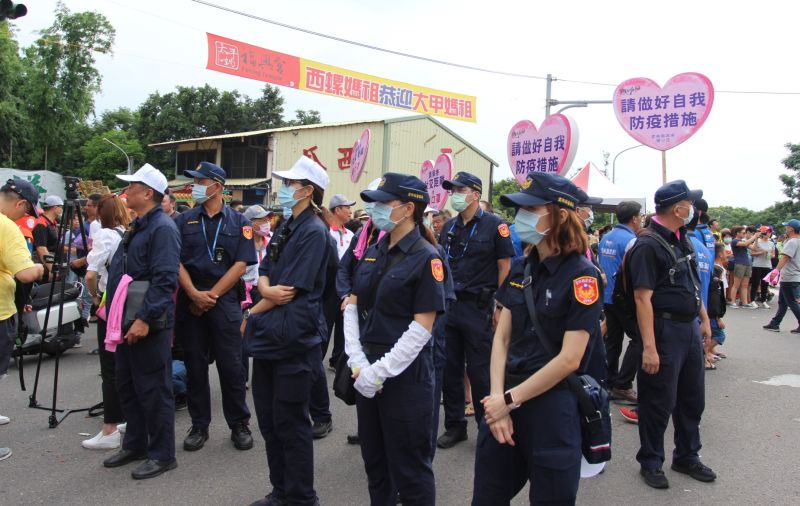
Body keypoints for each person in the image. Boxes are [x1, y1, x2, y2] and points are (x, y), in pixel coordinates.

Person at [473, 172, 603, 505]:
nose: (521, 218)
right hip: (505, 400)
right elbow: (501, 338)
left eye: (531, 210)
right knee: (487, 497)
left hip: (551, 406)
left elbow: (570, 358)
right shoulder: (521, 268)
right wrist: (496, 401)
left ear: (560, 215)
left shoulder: (583, 276)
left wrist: (509, 400)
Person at [344, 172, 445, 505]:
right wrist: (357, 359)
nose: (374, 209)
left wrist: (381, 370)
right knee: (375, 463)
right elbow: (353, 303)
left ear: (408, 208)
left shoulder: (427, 257)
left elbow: (422, 328)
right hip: (367, 370)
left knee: (410, 470)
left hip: (405, 377)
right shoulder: (375, 249)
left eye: (383, 203)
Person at [244, 156, 330, 506]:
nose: (283, 189)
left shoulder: (314, 231)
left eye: (290, 184)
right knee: (269, 422)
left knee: (292, 424)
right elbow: (266, 271)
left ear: (308, 190)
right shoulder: (286, 224)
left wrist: (250, 310)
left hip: (294, 339)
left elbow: (289, 290)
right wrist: (264, 290)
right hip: (269, 336)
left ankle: (300, 497)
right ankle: (280, 490)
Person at [627, 180, 715, 489]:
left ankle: (687, 456)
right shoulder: (647, 244)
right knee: (658, 401)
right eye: (689, 204)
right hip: (663, 330)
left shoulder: (683, 239)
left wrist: (703, 318)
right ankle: (651, 461)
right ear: (678, 208)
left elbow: (691, 283)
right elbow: (642, 299)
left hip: (688, 327)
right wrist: (649, 347)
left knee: (692, 398)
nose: (692, 209)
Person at [101, 164, 181, 479]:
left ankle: (163, 454)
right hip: (125, 318)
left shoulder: (162, 227)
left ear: (147, 193)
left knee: (153, 387)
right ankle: (136, 443)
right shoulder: (140, 224)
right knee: (129, 384)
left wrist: (145, 318)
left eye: (132, 187)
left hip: (146, 321)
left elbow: (164, 280)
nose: (126, 192)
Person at [174, 161, 255, 452]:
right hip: (191, 299)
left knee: (231, 366)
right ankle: (199, 425)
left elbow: (241, 264)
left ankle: (239, 424)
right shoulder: (183, 221)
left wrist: (211, 296)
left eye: (199, 181)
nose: (193, 186)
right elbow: (176, 261)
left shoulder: (239, 222)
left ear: (217, 187)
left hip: (224, 302)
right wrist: (195, 294)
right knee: (195, 367)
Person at [437, 172, 514, 449]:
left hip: (479, 307)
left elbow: (504, 266)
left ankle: (487, 425)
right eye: (452, 189)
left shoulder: (496, 225)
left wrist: (501, 306)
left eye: (460, 189)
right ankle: (455, 425)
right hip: (450, 305)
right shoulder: (448, 227)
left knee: (481, 371)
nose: (455, 193)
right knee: (450, 368)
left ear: (475, 194)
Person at [0, 179, 45, 462]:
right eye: (27, 213)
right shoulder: (6, 227)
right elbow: (25, 274)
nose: (26, 219)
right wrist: (40, 267)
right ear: (20, 204)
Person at [81, 194, 130, 450]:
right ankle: (125, 418)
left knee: (109, 368)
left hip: (109, 303)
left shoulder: (104, 235)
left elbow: (91, 274)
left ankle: (110, 427)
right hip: (128, 303)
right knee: (124, 365)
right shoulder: (127, 233)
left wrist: (94, 295)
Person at [598, 201, 643, 404]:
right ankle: (622, 384)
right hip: (623, 298)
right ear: (634, 218)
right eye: (640, 216)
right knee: (639, 339)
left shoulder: (606, 237)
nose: (641, 219)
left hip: (607, 296)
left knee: (612, 341)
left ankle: (608, 381)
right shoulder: (631, 240)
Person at [326, 194, 356, 371]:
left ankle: (336, 360)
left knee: (344, 326)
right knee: (326, 324)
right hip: (329, 287)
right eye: (347, 208)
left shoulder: (351, 235)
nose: (350, 212)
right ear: (337, 210)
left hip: (345, 287)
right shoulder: (325, 231)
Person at [763, 219, 800, 333]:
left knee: (791, 302)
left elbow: (785, 257)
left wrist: (776, 271)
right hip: (793, 275)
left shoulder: (792, 242)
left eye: (787, 227)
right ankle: (775, 323)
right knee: (783, 302)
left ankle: (775, 323)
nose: (785, 229)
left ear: (791, 229)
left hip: (789, 275)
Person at [32, 195, 63, 281]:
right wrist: (51, 268)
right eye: (61, 207)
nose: (61, 209)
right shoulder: (41, 224)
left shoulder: (51, 223)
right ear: (54, 207)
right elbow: (41, 248)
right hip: (44, 266)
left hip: (53, 261)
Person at [728, 226, 757, 308]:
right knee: (736, 284)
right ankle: (732, 302)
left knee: (745, 285)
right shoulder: (734, 241)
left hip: (747, 263)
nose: (745, 234)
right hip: (739, 263)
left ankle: (745, 303)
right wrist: (754, 236)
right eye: (743, 233)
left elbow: (754, 248)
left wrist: (757, 238)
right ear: (738, 233)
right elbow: (745, 244)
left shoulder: (744, 241)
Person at [751, 225, 775, 309]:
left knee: (765, 284)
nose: (767, 234)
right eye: (766, 232)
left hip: (767, 265)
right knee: (755, 283)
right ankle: (752, 300)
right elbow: (752, 253)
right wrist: (761, 252)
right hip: (757, 265)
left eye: (769, 232)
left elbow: (773, 254)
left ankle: (764, 300)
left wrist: (770, 255)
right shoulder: (757, 241)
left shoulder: (771, 243)